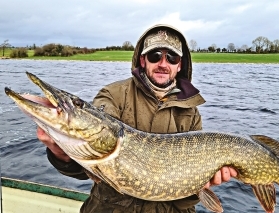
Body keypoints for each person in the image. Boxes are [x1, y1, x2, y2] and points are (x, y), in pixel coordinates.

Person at [37, 24, 237, 213]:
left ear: (179, 65)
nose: (162, 64)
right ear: (143, 60)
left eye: (172, 58)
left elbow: (182, 197)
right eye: (155, 55)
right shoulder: (113, 95)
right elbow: (91, 163)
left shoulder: (191, 112)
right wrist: (60, 153)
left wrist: (201, 184)